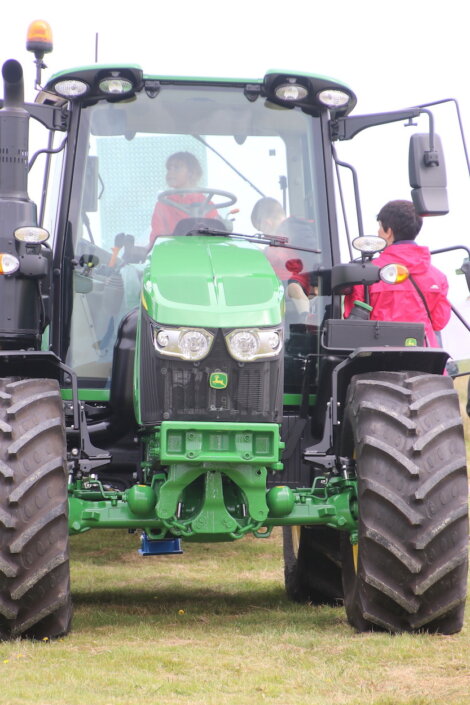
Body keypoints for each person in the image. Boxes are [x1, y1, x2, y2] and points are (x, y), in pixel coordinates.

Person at [344, 199, 451, 347]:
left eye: (380, 227)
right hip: (426, 360)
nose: (378, 232)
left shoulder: (365, 274)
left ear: (388, 232)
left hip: (377, 360)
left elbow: (351, 324)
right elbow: (439, 322)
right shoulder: (438, 277)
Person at [251, 197, 317, 315]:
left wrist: (315, 282)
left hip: (295, 277)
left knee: (294, 288)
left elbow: (312, 255)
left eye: (261, 229)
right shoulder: (271, 245)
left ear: (267, 223)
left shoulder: (295, 229)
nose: (263, 234)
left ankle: (306, 316)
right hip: (276, 282)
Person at [149, 152, 217, 245]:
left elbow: (215, 236)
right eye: (169, 168)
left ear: (191, 173)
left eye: (176, 168)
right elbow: (157, 236)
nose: (170, 172)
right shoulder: (163, 204)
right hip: (172, 253)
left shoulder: (206, 204)